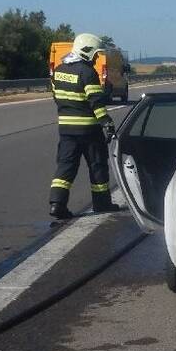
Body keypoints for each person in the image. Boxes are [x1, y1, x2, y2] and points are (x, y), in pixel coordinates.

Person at [48, 33, 120, 219]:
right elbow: (96, 102)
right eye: (95, 54)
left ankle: (57, 204)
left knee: (65, 166)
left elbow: (57, 97)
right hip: (89, 130)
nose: (96, 58)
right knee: (97, 165)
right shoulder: (88, 73)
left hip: (66, 129)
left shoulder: (59, 70)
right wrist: (107, 123)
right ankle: (102, 203)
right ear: (87, 51)